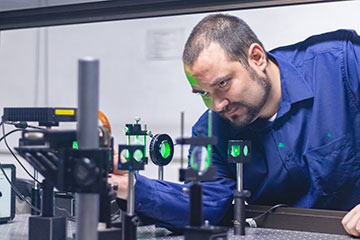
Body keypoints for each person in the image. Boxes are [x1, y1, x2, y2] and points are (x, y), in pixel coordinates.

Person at [108, 14, 360, 236]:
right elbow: (204, 204)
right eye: (202, 93)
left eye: (222, 84)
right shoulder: (209, 131)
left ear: (257, 58)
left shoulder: (343, 63)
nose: (216, 105)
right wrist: (133, 188)